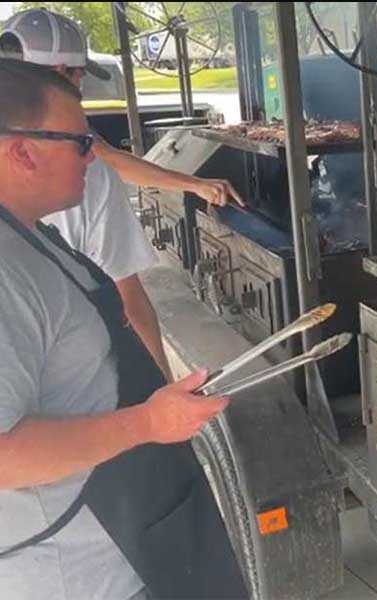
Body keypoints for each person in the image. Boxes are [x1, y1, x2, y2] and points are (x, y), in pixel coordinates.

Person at [0, 59, 248, 599]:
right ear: (22, 151)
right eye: (81, 143)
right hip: (73, 573)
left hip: (125, 537)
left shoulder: (26, 234)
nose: (94, 157)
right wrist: (148, 423)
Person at [0, 8, 246, 381]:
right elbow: (129, 298)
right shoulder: (88, 175)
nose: (81, 82)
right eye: (77, 72)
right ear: (56, 73)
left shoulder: (62, 148)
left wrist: (193, 184)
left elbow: (108, 157)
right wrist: (163, 389)